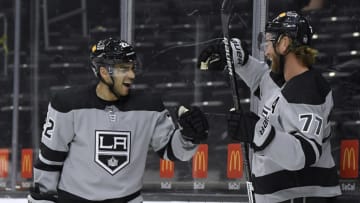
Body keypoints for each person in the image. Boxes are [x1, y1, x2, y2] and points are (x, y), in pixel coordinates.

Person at [28, 37, 209, 203]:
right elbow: (51, 158)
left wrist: (188, 137)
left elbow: (171, 152)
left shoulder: (150, 106)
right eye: (124, 69)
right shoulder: (68, 104)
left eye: (132, 68)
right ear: (104, 72)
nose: (132, 75)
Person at [199, 11, 341, 203]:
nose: (266, 51)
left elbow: (305, 152)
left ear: (284, 44)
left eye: (268, 43)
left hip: (302, 197)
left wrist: (258, 133)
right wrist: (240, 60)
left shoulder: (305, 90)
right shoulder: (287, 80)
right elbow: (264, 81)